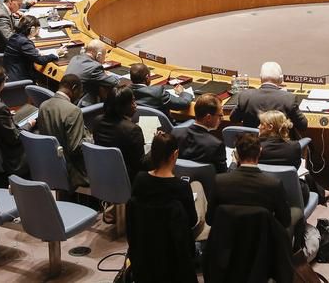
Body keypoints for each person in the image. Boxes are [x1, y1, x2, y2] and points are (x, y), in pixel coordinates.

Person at [127, 132, 199, 283]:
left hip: (144, 251)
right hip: (174, 257)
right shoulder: (182, 187)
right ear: (175, 154)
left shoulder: (139, 180)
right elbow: (192, 221)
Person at [206, 133, 291, 229]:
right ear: (260, 152)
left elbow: (210, 219)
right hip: (262, 240)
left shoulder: (219, 181)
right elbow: (285, 222)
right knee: (296, 211)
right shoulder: (274, 184)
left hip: (227, 240)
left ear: (236, 154)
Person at [38, 75, 91, 189]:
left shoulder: (43, 105)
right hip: (72, 171)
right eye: (80, 92)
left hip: (50, 165)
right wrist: (90, 139)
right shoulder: (73, 110)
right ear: (74, 87)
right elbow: (75, 148)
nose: (79, 96)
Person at [231, 61, 307, 133]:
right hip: (279, 145)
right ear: (281, 79)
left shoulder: (245, 96)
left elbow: (234, 119)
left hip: (252, 144)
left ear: (260, 78)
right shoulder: (289, 99)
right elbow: (303, 126)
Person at [92, 85, 146, 182]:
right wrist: (156, 147)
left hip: (101, 175)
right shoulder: (133, 130)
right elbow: (140, 164)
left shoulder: (97, 121)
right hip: (127, 180)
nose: (135, 105)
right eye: (132, 101)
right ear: (123, 106)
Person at [172, 93, 227, 173]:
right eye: (220, 115)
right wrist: (233, 162)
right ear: (208, 117)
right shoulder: (216, 145)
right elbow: (222, 175)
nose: (222, 118)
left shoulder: (175, 133)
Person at [2, 15, 58, 82]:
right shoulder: (25, 42)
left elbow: (22, 52)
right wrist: (55, 54)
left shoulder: (14, 36)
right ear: (32, 29)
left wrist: (34, 51)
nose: (38, 32)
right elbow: (40, 60)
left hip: (9, 74)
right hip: (20, 79)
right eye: (38, 29)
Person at [65, 39, 120, 105]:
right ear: (98, 55)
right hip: (77, 107)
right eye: (104, 56)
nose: (104, 60)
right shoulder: (95, 67)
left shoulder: (75, 58)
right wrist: (107, 75)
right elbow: (114, 82)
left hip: (65, 101)